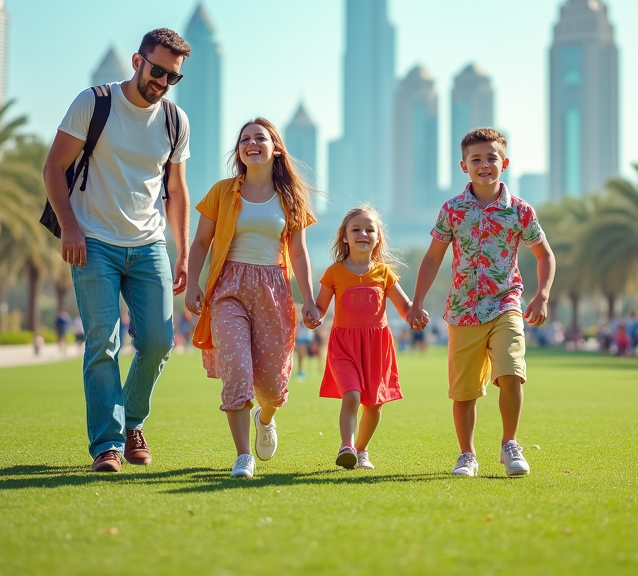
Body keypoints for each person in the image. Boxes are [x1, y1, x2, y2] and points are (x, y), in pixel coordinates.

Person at [43, 28, 191, 473]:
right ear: (136, 60)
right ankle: (106, 445)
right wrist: (69, 227)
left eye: (172, 77)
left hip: (149, 246)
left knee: (158, 341)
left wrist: (182, 251)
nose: (162, 82)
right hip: (94, 243)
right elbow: (53, 166)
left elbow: (177, 192)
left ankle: (132, 422)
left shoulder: (175, 121)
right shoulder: (94, 103)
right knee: (103, 345)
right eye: (157, 70)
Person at [406, 127, 556, 478]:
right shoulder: (452, 210)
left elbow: (544, 256)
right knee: (464, 391)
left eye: (491, 158)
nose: (484, 164)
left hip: (506, 303)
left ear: (505, 162)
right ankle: (467, 455)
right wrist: (416, 302)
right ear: (464, 166)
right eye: (476, 159)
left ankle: (509, 445)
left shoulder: (520, 211)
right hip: (462, 310)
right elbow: (431, 259)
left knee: (511, 373)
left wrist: (542, 294)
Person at [184, 117, 318, 480]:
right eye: (245, 139)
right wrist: (193, 283)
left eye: (260, 138)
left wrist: (309, 298)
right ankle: (243, 455)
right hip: (229, 287)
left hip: (274, 289)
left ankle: (266, 417)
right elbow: (201, 243)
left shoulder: (291, 198)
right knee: (237, 371)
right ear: (239, 150)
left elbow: (300, 253)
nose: (251, 143)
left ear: (276, 149)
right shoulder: (222, 191)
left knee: (273, 387)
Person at [311, 206, 421, 470]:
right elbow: (320, 308)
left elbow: (405, 307)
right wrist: (310, 314)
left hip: (376, 348)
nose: (363, 233)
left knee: (374, 406)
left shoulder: (384, 273)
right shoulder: (334, 273)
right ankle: (346, 446)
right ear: (344, 238)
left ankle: (361, 451)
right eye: (356, 229)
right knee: (351, 395)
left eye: (370, 229)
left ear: (378, 237)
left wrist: (415, 314)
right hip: (344, 347)